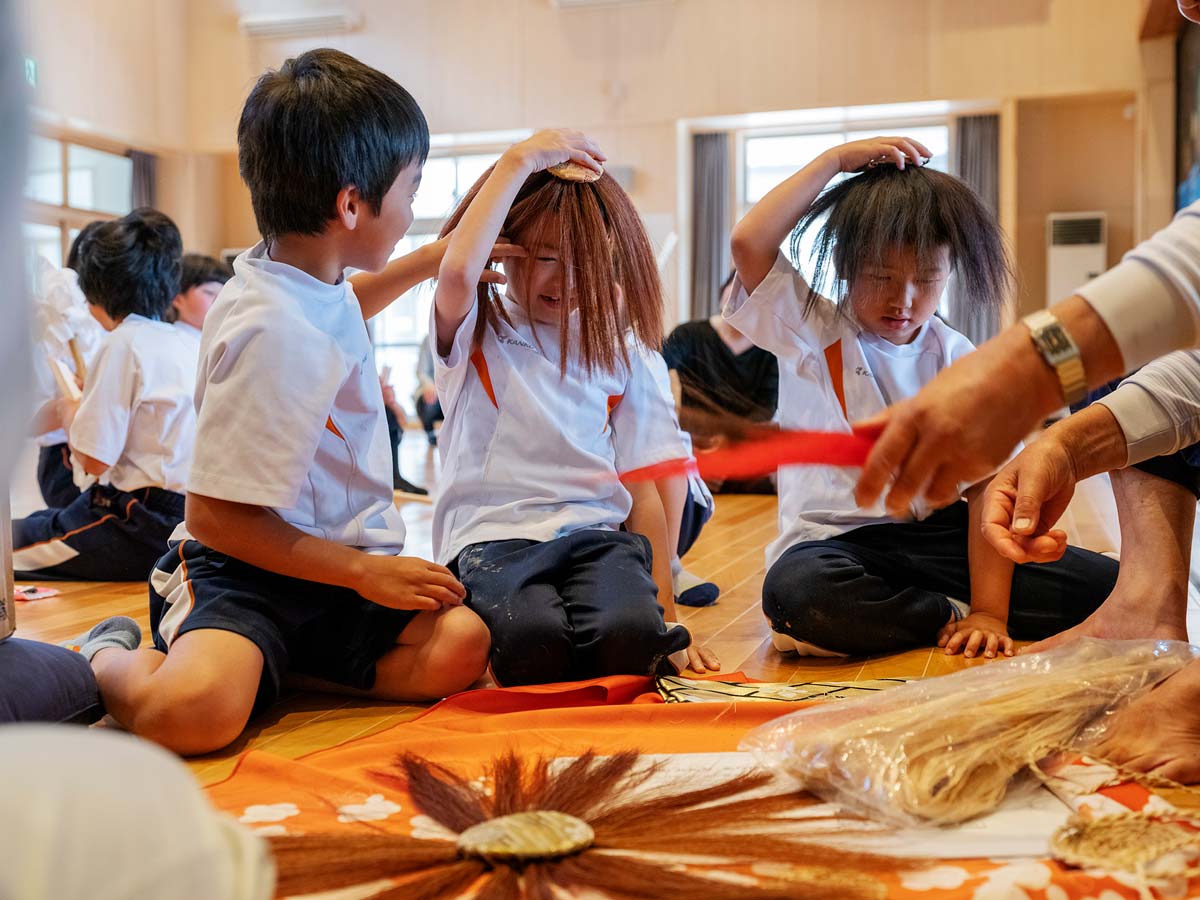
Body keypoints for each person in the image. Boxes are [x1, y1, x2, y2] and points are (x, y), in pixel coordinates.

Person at [69, 48, 490, 756]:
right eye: (410, 192)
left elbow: (344, 306)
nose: (413, 212)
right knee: (194, 714)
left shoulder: (300, 278)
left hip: (325, 570)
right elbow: (215, 518)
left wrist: (432, 260)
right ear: (351, 204)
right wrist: (363, 571)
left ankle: (277, 667)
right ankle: (101, 655)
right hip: (244, 572)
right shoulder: (272, 329)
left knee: (462, 643)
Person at [729, 136, 1118, 658]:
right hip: (837, 548)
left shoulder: (958, 354)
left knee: (1111, 588)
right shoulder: (811, 327)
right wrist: (835, 162)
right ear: (846, 267)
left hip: (942, 539)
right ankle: (942, 611)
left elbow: (986, 488)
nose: (904, 299)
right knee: (798, 595)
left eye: (928, 279)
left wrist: (991, 612)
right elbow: (749, 243)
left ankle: (938, 607)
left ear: (949, 274)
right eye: (881, 277)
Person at [431, 129, 721, 685]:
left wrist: (669, 616)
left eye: (583, 263)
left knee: (633, 640)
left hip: (595, 536)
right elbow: (455, 272)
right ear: (503, 249)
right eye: (543, 256)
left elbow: (644, 486)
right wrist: (519, 160)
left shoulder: (621, 348)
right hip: (494, 538)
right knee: (531, 642)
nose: (563, 281)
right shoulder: (477, 329)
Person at [12, 208, 195, 581]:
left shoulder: (123, 343)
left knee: (9, 545)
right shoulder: (184, 341)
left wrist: (68, 410)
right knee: (36, 522)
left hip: (135, 521)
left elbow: (95, 460)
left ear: (95, 290)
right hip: (182, 518)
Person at [663, 276, 779, 494]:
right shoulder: (688, 334)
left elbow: (765, 410)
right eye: (734, 288)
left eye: (750, 293)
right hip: (696, 441)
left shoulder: (771, 350)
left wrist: (727, 444)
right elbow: (657, 368)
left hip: (740, 445)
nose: (740, 297)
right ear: (722, 293)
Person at [28, 222, 106, 508]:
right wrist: (67, 406)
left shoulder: (112, 325)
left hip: (102, 450)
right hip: (63, 455)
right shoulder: (47, 332)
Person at [166, 252, 233, 349]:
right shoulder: (173, 345)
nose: (219, 300)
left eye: (223, 294)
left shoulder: (215, 341)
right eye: (209, 292)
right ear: (177, 299)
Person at [413, 334, 443, 445]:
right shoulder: (428, 339)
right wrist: (431, 387)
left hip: (453, 392)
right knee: (427, 400)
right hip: (433, 392)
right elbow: (421, 372)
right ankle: (431, 435)